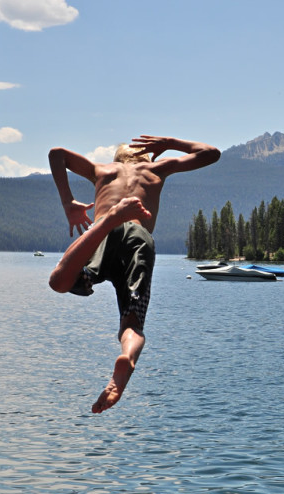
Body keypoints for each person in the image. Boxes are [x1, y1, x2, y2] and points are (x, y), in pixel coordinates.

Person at [47, 135, 221, 413]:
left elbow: (57, 153)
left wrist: (68, 203)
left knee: (60, 283)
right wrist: (168, 142)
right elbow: (211, 153)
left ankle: (108, 221)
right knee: (132, 324)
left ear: (117, 158)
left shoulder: (102, 170)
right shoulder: (156, 169)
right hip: (138, 236)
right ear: (146, 156)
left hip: (103, 232)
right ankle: (127, 356)